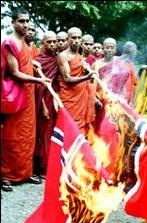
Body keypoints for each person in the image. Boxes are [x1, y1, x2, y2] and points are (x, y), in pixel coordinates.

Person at [1, 7, 51, 192]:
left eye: (27, 21)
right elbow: (14, 73)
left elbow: (26, 62)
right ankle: (6, 174)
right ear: (13, 23)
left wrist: (34, 63)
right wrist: (39, 80)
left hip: (29, 96)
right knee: (12, 136)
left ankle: (24, 172)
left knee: (28, 135)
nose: (25, 24)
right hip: (16, 96)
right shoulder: (10, 42)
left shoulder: (27, 45)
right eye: (21, 21)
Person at [57, 27, 95, 136]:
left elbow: (85, 76)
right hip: (70, 99)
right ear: (68, 39)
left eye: (79, 38)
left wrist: (88, 73)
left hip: (81, 98)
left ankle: (78, 152)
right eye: (74, 38)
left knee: (80, 129)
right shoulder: (63, 56)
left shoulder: (79, 57)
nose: (77, 40)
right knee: (69, 127)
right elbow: (67, 79)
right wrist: (86, 77)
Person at [34, 31, 59, 177]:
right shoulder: (38, 60)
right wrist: (43, 106)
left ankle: (47, 165)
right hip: (41, 99)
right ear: (43, 43)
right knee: (42, 133)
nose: (52, 44)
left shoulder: (56, 59)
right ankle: (41, 167)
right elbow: (38, 86)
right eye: (49, 42)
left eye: (54, 41)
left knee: (50, 133)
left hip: (53, 98)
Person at [92, 38, 133, 103]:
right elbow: (93, 84)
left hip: (117, 99)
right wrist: (94, 98)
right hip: (101, 98)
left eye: (112, 48)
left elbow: (126, 83)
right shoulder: (96, 64)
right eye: (107, 47)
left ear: (115, 50)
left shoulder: (120, 62)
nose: (109, 50)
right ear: (102, 49)